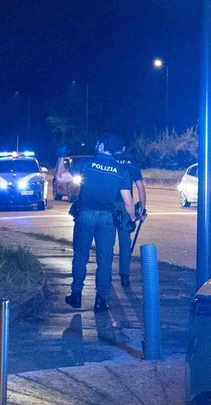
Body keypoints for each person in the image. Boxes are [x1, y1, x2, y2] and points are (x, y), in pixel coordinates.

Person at [55, 133, 137, 312]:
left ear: (101, 146)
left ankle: (76, 295)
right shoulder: (121, 171)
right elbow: (128, 201)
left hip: (85, 215)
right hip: (108, 219)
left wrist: (61, 157)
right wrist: (132, 219)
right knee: (105, 261)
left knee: (80, 257)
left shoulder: (86, 164)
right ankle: (101, 300)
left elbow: (60, 178)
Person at [113, 142, 147, 289]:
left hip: (109, 204)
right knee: (125, 243)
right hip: (126, 205)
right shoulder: (132, 163)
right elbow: (141, 188)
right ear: (124, 147)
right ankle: (125, 276)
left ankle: (105, 275)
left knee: (106, 242)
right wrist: (142, 209)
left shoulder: (108, 161)